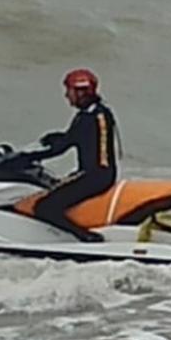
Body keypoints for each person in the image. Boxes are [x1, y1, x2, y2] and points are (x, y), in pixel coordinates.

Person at [27, 68, 118, 242]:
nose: (66, 96)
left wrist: (26, 158)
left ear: (80, 92)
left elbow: (64, 146)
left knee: (43, 207)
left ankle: (84, 236)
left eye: (68, 91)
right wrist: (54, 137)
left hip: (95, 175)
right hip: (98, 173)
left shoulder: (89, 118)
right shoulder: (97, 113)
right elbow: (73, 137)